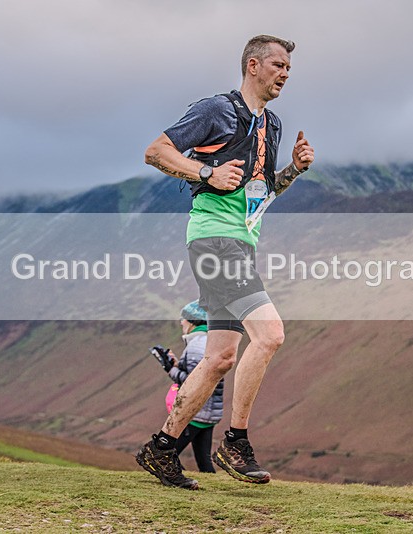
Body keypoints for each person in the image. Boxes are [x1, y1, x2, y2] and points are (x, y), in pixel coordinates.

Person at [136, 34, 315, 490]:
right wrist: (205, 172)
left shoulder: (271, 125)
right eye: (277, 65)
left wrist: (292, 170)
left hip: (243, 242)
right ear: (252, 65)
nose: (285, 73)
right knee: (271, 334)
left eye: (289, 69)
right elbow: (156, 150)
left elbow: (261, 192)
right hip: (214, 241)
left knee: (218, 358)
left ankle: (161, 449)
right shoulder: (217, 110)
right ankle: (235, 442)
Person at [163, 301, 222, 473]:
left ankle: (176, 478)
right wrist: (175, 365)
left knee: (167, 453)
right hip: (206, 412)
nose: (181, 322)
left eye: (184, 318)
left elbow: (193, 381)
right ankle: (211, 493)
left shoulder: (198, 344)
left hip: (196, 411)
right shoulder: (206, 342)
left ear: (193, 321)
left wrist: (170, 370)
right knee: (204, 461)